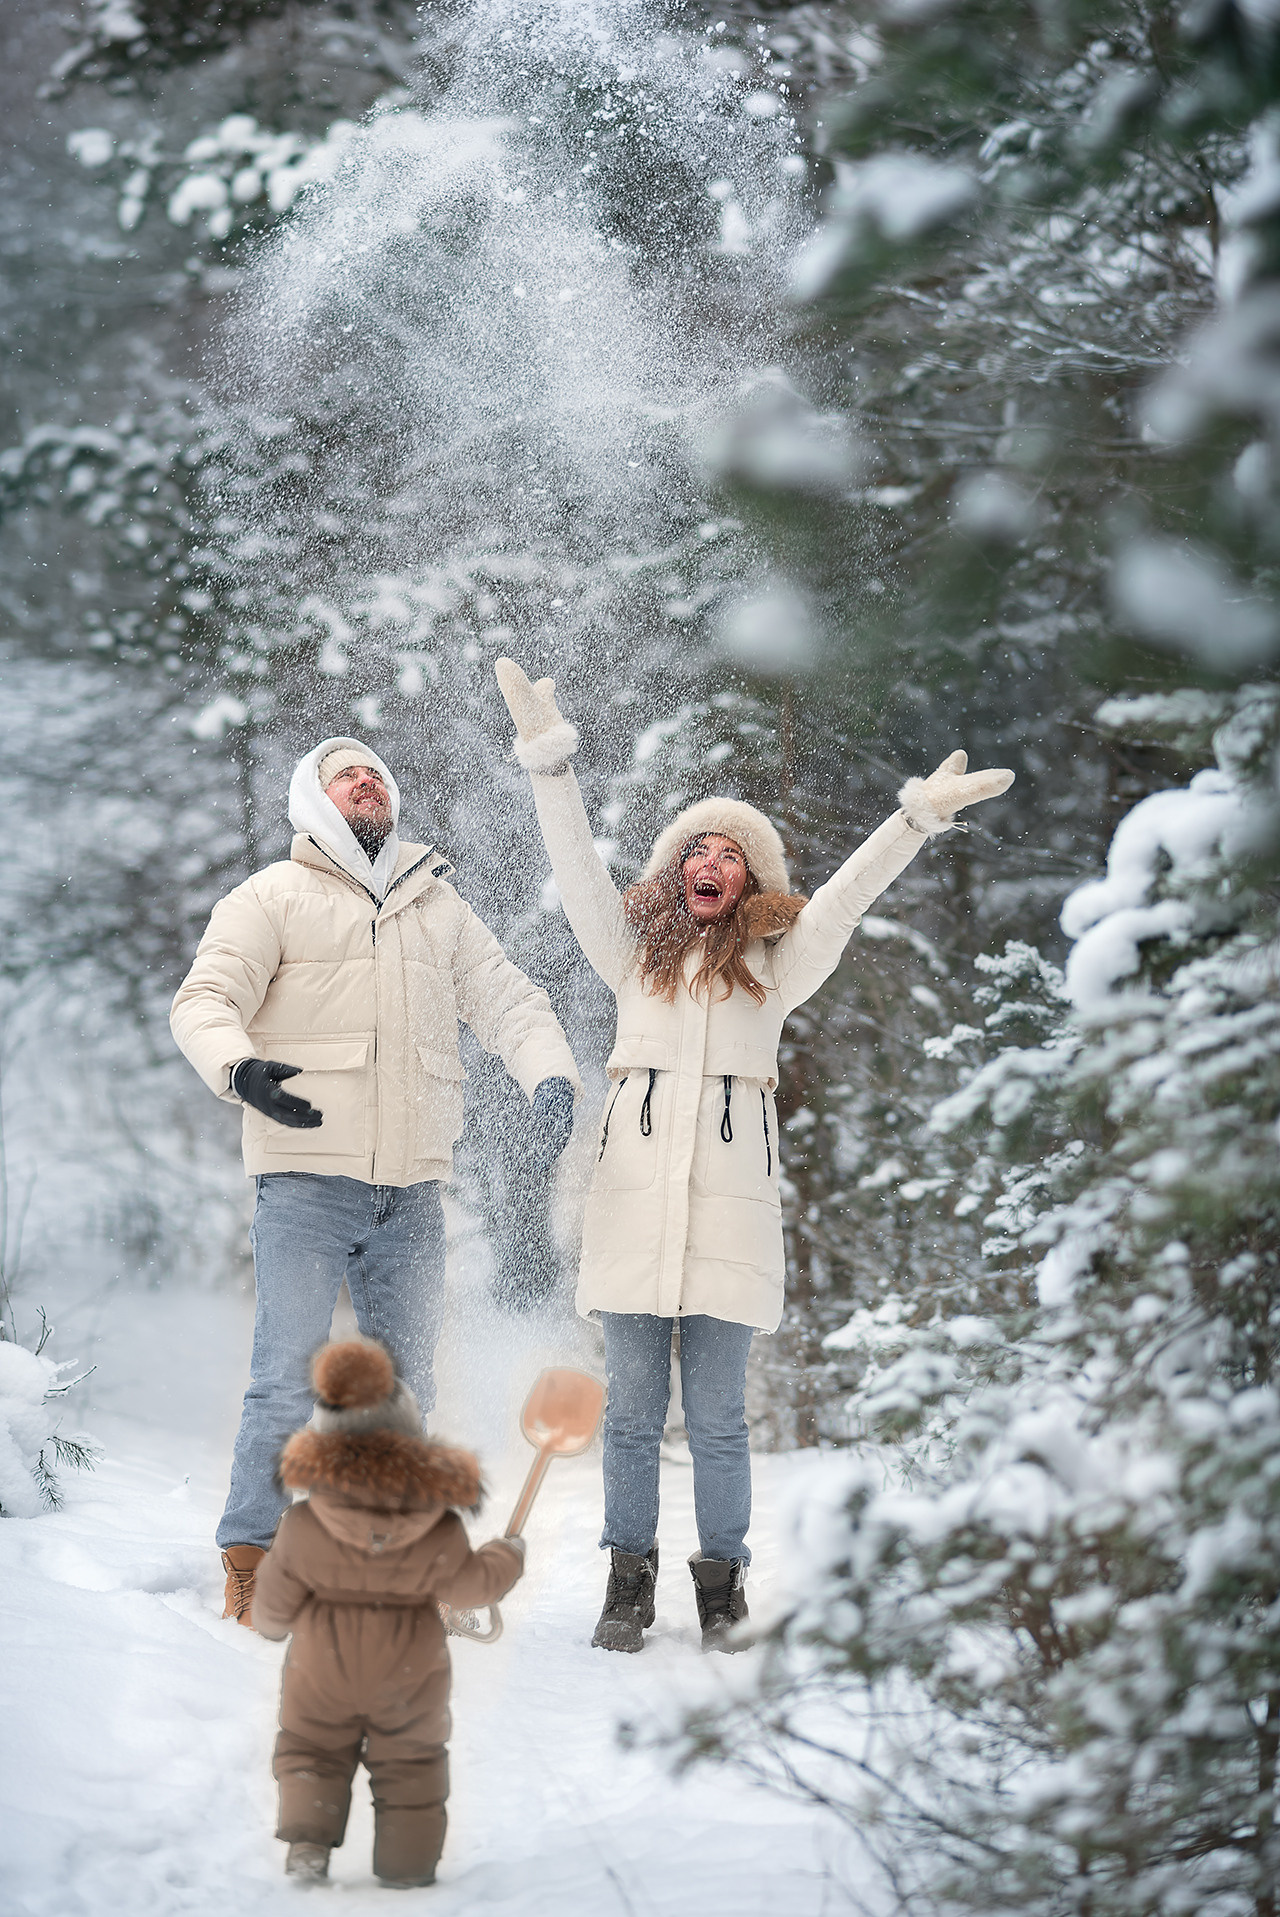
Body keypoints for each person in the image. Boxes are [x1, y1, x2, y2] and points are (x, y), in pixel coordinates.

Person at [494, 659, 1013, 1652]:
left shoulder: (778, 972)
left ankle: (721, 1584)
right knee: (634, 1416)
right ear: (674, 867)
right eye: (697, 845)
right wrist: (548, 764)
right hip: (634, 1216)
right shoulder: (628, 956)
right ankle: (626, 1584)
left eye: (731, 852)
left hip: (728, 1226)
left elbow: (845, 902)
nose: (711, 857)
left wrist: (911, 820)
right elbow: (573, 870)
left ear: (748, 882)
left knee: (721, 1423)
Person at [171, 737, 578, 1625]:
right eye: (345, 773)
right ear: (313, 800)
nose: (366, 780)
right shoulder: (271, 897)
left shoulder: (437, 906)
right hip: (305, 1184)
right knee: (285, 1377)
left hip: (412, 1192)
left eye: (378, 773)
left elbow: (511, 1000)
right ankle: (253, 1556)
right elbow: (204, 1001)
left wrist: (551, 1076)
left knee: (405, 1389)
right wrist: (239, 1069)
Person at [252, 1337, 523, 1887]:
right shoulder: (438, 1524)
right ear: (410, 1444)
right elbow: (471, 1587)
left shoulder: (303, 1525)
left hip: (320, 1670)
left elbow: (273, 1607)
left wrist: (272, 1626)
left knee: (312, 1752)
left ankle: (308, 1841)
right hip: (410, 1671)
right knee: (412, 1764)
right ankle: (407, 1867)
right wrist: (506, 1556)